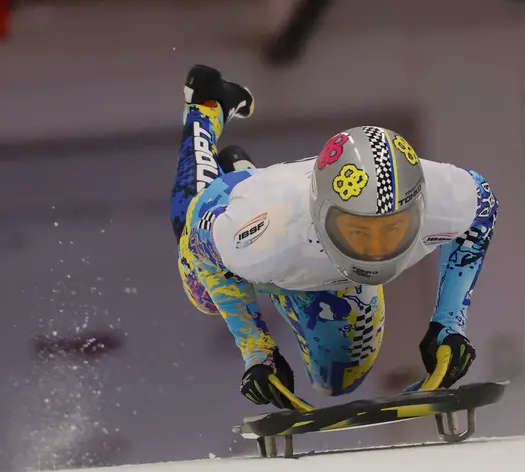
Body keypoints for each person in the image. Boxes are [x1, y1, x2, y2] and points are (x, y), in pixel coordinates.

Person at [170, 65, 498, 410]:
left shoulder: (450, 194)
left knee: (339, 381)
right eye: (358, 232)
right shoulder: (258, 235)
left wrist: (449, 324)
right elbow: (199, 246)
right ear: (320, 214)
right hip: (255, 223)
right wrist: (257, 350)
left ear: (420, 205)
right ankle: (207, 107)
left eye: (393, 229)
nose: (376, 251)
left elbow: (484, 206)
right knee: (203, 292)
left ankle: (246, 177)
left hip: (283, 240)